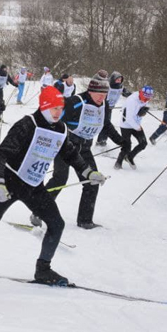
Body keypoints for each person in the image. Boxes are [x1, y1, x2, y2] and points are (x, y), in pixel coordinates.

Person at [0, 86, 106, 287]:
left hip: (34, 186)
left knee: (57, 224)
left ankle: (43, 270)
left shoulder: (61, 129)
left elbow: (70, 153)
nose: (58, 113)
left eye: (60, 109)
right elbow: (1, 154)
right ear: (44, 106)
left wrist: (88, 172)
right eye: (54, 108)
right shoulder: (28, 124)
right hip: (9, 183)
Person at [42, 70, 110, 229]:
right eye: (98, 93)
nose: (102, 97)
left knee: (92, 181)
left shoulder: (103, 104)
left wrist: (122, 141)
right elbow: (53, 117)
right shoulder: (75, 102)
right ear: (90, 90)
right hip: (66, 146)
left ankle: (85, 220)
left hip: (84, 147)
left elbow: (106, 124)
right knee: (60, 179)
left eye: (105, 94)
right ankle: (39, 212)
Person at [115, 85, 153, 169]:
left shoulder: (145, 99)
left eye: (148, 98)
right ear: (141, 93)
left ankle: (129, 157)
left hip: (136, 123)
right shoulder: (132, 100)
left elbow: (139, 110)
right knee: (127, 146)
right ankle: (118, 163)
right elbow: (129, 118)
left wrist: (142, 112)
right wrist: (137, 127)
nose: (146, 100)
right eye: (145, 98)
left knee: (143, 143)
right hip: (126, 125)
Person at [96, 71, 129, 147]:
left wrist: (129, 94)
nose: (119, 81)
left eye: (120, 79)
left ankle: (102, 140)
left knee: (106, 123)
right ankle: (101, 141)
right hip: (103, 106)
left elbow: (125, 93)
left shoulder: (120, 86)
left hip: (110, 107)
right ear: (113, 79)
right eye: (117, 79)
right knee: (106, 124)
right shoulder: (108, 85)